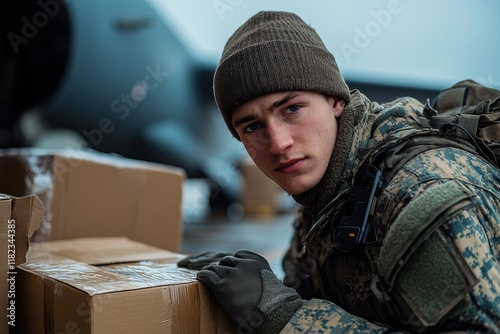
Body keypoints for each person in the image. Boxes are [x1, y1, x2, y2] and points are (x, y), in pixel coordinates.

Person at [178, 10, 500, 333]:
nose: (278, 143)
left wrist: (283, 315)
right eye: (252, 127)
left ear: (335, 101)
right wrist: (258, 288)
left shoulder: (417, 197)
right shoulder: (327, 193)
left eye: (291, 109)